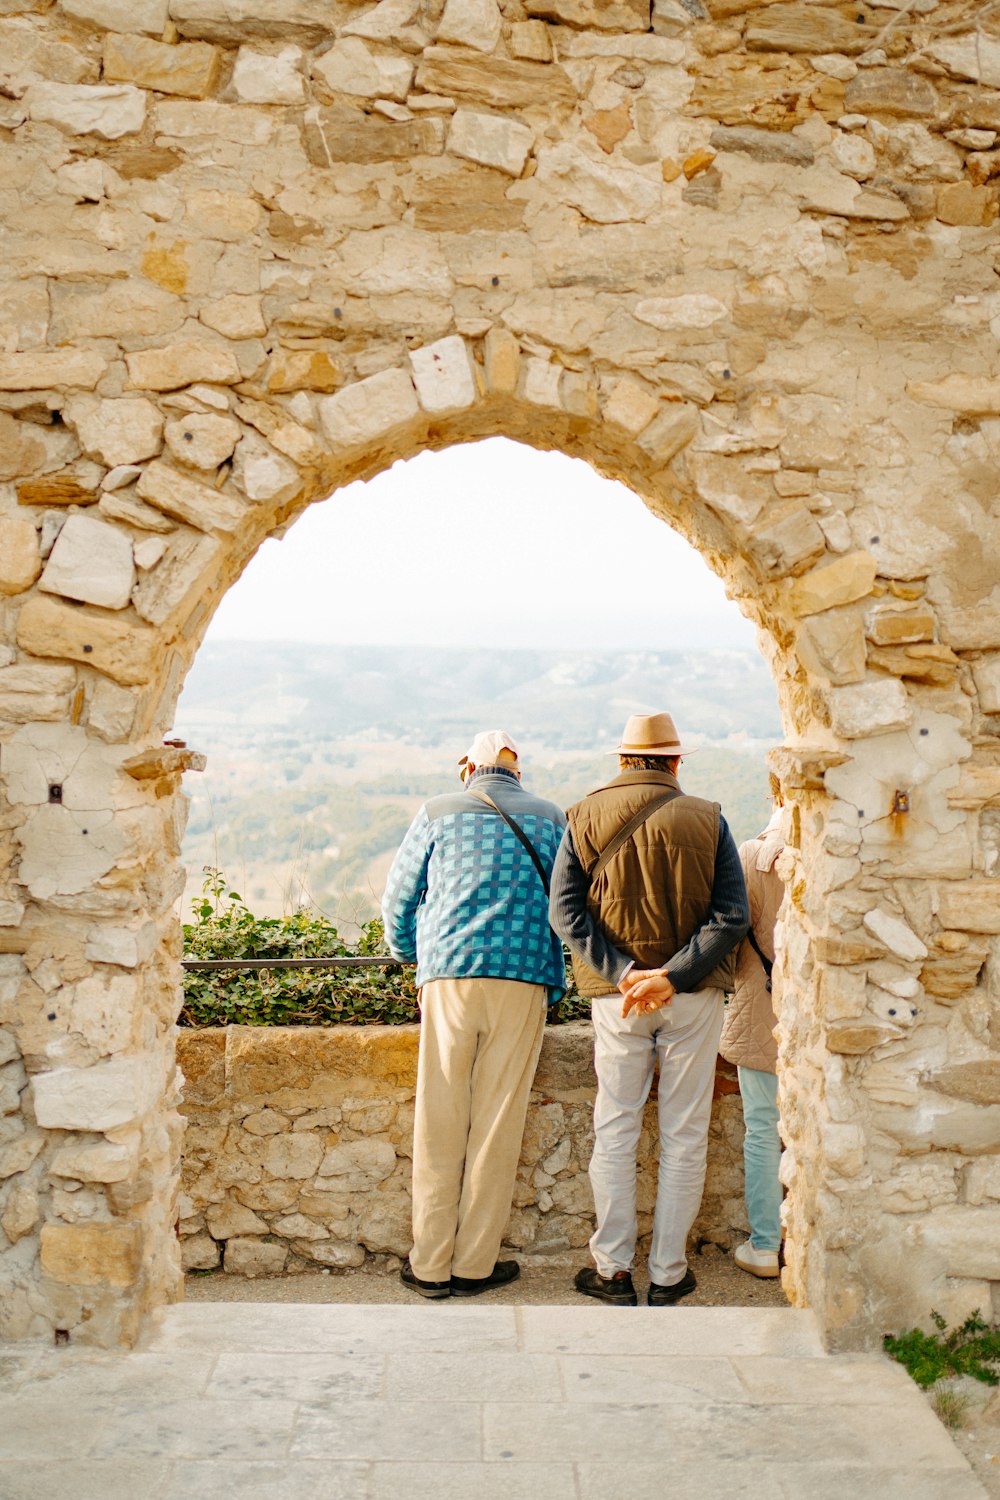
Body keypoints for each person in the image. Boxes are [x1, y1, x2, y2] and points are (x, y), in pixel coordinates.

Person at [549, 712, 749, 1308]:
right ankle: (667, 1273)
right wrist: (674, 975)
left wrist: (627, 974)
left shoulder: (583, 815)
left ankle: (612, 1270)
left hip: (619, 1001)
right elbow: (731, 916)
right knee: (685, 1134)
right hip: (691, 999)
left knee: (615, 1129)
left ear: (622, 760)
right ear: (676, 761)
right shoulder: (708, 817)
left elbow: (565, 912)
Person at [382, 729, 566, 1300]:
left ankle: (430, 1264)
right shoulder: (549, 816)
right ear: (517, 768)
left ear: (469, 768)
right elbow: (568, 903)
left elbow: (398, 901)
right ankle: (475, 1265)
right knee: (497, 1123)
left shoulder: (437, 812)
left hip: (451, 976)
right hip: (523, 977)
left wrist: (415, 958)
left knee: (440, 1119)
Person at [719, 773, 785, 1278]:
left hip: (761, 1011)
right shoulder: (835, 853)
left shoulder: (752, 855)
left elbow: (731, 935)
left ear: (775, 794)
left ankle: (765, 1245)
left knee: (762, 1129)